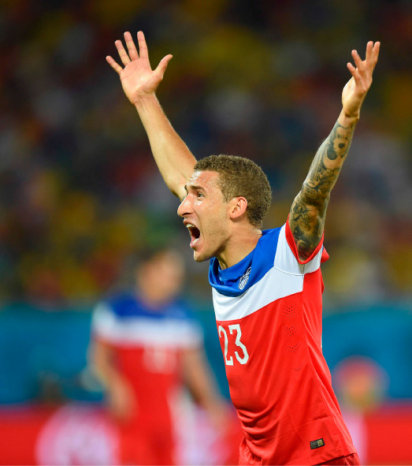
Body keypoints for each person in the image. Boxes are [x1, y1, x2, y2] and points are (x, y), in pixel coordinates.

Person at [105, 30, 380, 465]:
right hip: (256, 457)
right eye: (186, 196)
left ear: (236, 207)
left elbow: (315, 190)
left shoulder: (287, 256)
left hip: (315, 455)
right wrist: (144, 100)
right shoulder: (222, 259)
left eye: (197, 197)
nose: (182, 207)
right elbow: (181, 173)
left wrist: (347, 116)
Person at [90, 248, 229, 465]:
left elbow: (194, 367)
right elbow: (98, 360)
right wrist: (115, 385)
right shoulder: (117, 310)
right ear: (147, 271)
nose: (173, 283)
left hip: (170, 416)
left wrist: (212, 402)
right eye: (168, 274)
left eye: (176, 277)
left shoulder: (182, 316)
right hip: (132, 413)